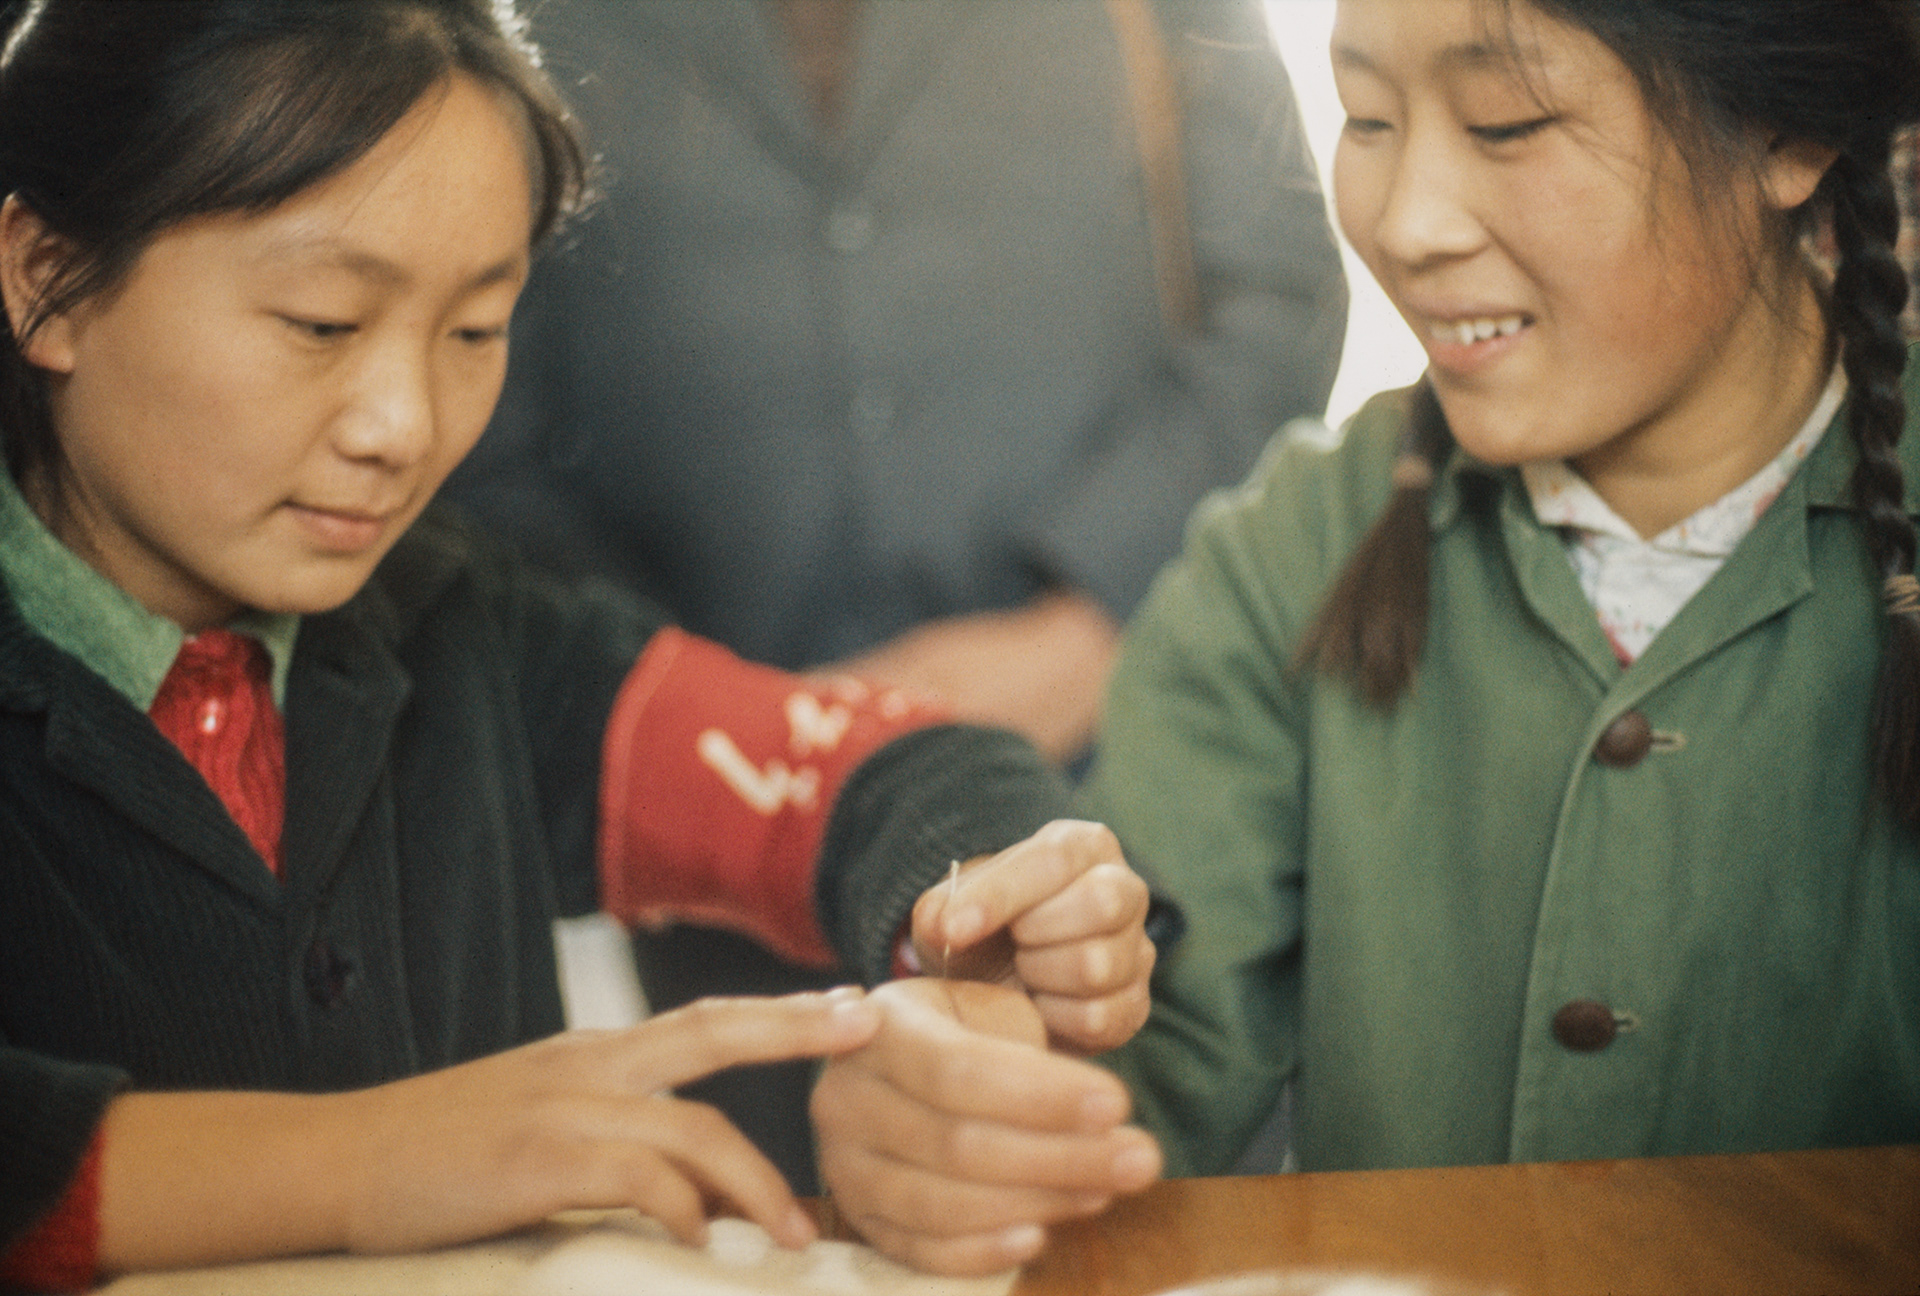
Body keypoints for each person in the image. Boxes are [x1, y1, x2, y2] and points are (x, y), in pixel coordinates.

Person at [0, 2, 1162, 1289]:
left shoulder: (467, 633)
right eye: (322, 324)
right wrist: (374, 1160)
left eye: (474, 331)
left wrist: (986, 921)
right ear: (46, 277)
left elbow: (864, 772)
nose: (403, 425)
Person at [437, 0, 1347, 1183]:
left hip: (1118, 746)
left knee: (1136, 1193)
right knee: (767, 1220)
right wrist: (689, 696)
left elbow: (1276, 293)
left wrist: (1084, 628)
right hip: (719, 816)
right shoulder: (514, 24)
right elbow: (483, 425)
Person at [1063, 0, 1920, 1176]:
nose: (1406, 224)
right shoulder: (1298, 549)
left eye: (1507, 123)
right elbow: (1112, 1087)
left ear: (1784, 132)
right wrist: (977, 1095)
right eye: (1368, 117)